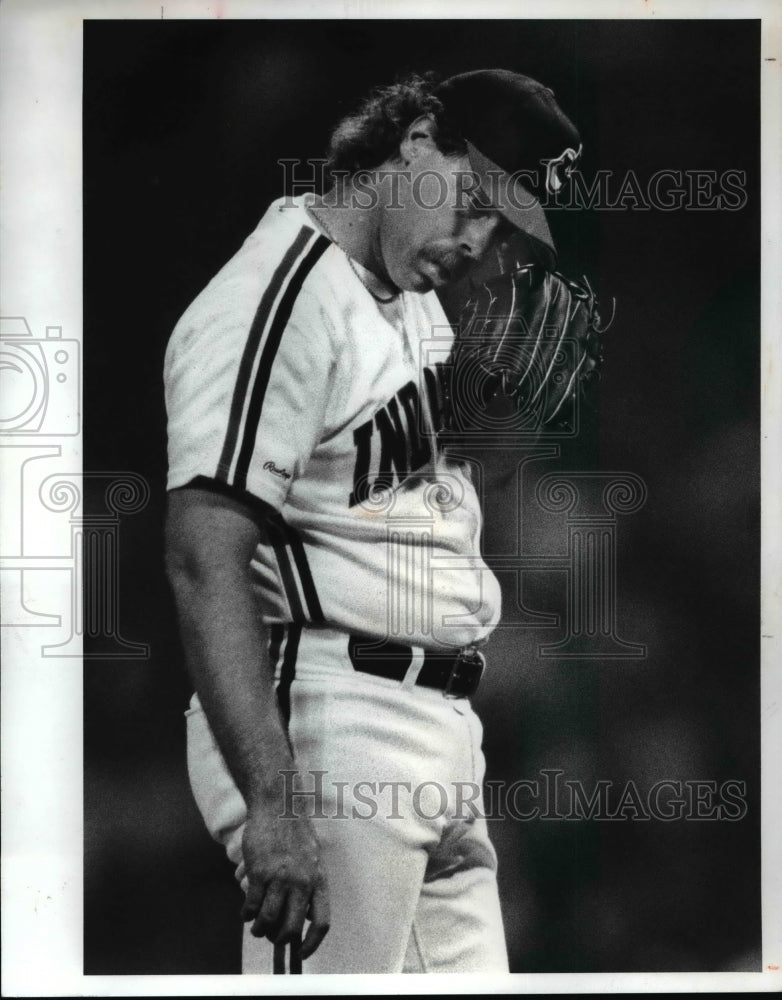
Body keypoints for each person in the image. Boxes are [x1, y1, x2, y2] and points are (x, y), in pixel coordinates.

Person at [164, 68, 582, 974]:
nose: (477, 241)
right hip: (328, 720)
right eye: (472, 200)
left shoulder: (409, 298)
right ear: (416, 142)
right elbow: (204, 557)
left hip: (435, 733)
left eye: (500, 225)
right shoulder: (274, 305)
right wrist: (276, 803)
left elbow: (377, 500)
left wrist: (498, 428)